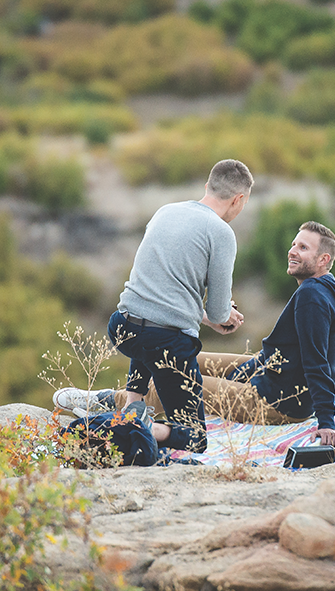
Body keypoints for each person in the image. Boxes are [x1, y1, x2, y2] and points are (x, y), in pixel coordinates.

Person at [120, 221, 335, 447]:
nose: (292, 251)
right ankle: (120, 399)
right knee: (173, 356)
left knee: (173, 380)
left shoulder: (312, 297)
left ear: (323, 259)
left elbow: (317, 362)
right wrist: (239, 375)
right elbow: (284, 353)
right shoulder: (329, 291)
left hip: (277, 402)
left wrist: (327, 422)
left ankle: (102, 402)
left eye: (303, 247)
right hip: (274, 376)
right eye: (293, 245)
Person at [102, 159, 253, 452]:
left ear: (207, 186)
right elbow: (220, 311)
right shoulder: (221, 233)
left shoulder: (166, 211)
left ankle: (134, 401)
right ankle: (141, 426)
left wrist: (205, 318)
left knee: (149, 334)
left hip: (122, 327)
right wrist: (222, 318)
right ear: (239, 200)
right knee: (195, 439)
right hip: (165, 343)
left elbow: (162, 294)